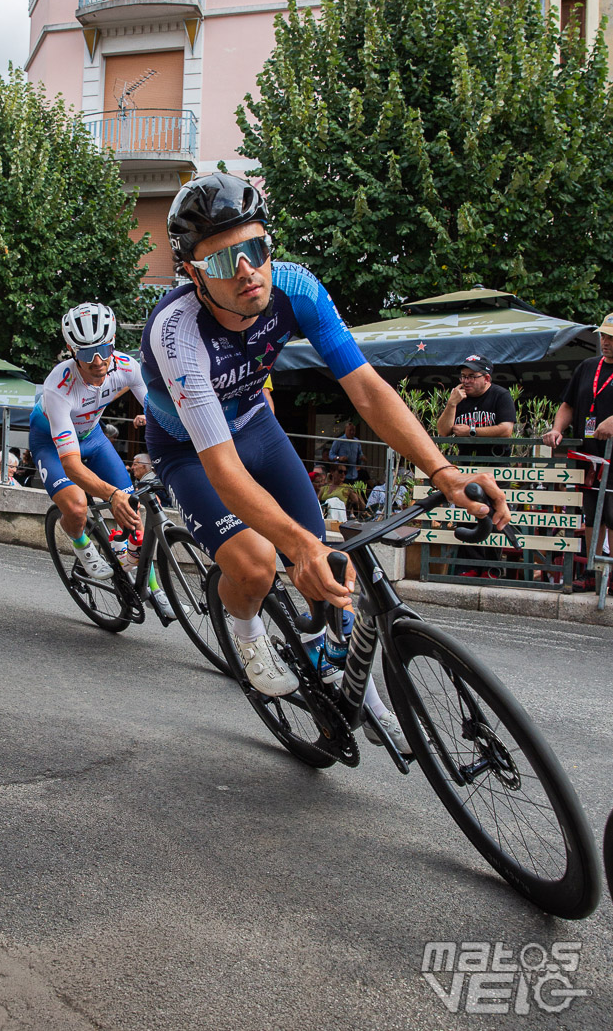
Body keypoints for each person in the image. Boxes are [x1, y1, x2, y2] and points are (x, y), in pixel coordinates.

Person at [140, 173, 508, 749]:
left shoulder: (298, 289)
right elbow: (223, 470)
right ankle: (246, 630)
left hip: (254, 424)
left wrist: (443, 471)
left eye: (254, 249)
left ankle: (337, 663)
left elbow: (367, 390)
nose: (245, 270)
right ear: (192, 273)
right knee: (261, 565)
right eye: (221, 262)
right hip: (191, 448)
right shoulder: (176, 331)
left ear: (269, 247)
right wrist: (297, 547)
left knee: (326, 561)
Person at [28, 301, 175, 618]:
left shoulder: (126, 368)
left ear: (113, 342)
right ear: (71, 351)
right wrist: (109, 494)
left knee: (132, 508)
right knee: (78, 506)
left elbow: (160, 413)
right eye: (85, 354)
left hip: (93, 437)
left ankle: (152, 585)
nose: (97, 361)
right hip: (52, 446)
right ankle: (80, 542)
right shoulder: (58, 387)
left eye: (104, 348)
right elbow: (70, 465)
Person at [544, 315, 613, 590]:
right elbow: (568, 404)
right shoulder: (587, 367)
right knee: (591, 513)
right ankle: (593, 571)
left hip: (612, 457)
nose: (605, 342)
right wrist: (557, 429)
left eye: (611, 338)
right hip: (588, 455)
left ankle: (611, 576)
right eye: (603, 336)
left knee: (612, 515)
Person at [437, 355, 516, 576]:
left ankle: (491, 568)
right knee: (470, 514)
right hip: (467, 468)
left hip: (495, 467)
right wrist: (451, 404)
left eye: (472, 376)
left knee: (492, 515)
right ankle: (469, 567)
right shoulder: (459, 398)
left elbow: (506, 429)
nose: (466, 381)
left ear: (487, 378)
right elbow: (443, 430)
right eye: (463, 376)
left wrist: (472, 432)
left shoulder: (500, 395)